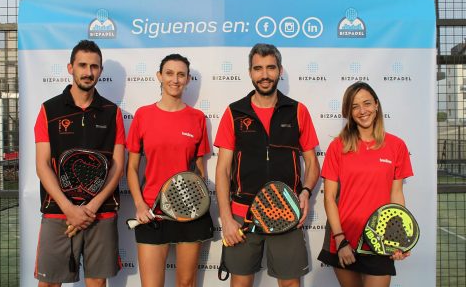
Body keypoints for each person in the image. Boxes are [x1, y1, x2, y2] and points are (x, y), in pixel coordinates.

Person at [215, 43, 320, 287]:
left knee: (290, 284)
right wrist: (226, 217)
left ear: (280, 70)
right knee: (240, 283)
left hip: (286, 213)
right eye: (258, 68)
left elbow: (312, 162)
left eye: (270, 68)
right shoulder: (234, 112)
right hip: (242, 216)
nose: (265, 75)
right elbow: (222, 170)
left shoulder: (297, 110)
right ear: (250, 72)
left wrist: (305, 192)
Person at [34, 40, 125, 287]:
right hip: (58, 211)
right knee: (50, 283)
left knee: (96, 283)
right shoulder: (48, 110)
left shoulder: (112, 112)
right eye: (82, 65)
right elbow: (42, 166)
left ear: (101, 71)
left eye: (94, 66)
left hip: (101, 210)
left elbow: (118, 165)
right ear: (70, 67)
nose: (88, 72)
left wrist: (91, 207)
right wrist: (69, 209)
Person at [126, 53, 213, 287]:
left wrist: (195, 199)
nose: (175, 79)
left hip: (190, 212)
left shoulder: (197, 118)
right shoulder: (143, 116)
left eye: (181, 74)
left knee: (186, 283)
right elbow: (132, 168)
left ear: (188, 80)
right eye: (170, 73)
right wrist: (140, 204)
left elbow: (199, 170)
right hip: (152, 212)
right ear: (159, 76)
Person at [317, 81, 413, 287]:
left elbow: (396, 195)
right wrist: (341, 240)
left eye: (367, 103)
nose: (362, 111)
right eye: (355, 106)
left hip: (379, 238)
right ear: (349, 112)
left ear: (377, 105)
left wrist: (399, 237)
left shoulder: (397, 146)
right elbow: (329, 198)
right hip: (343, 237)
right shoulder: (338, 147)